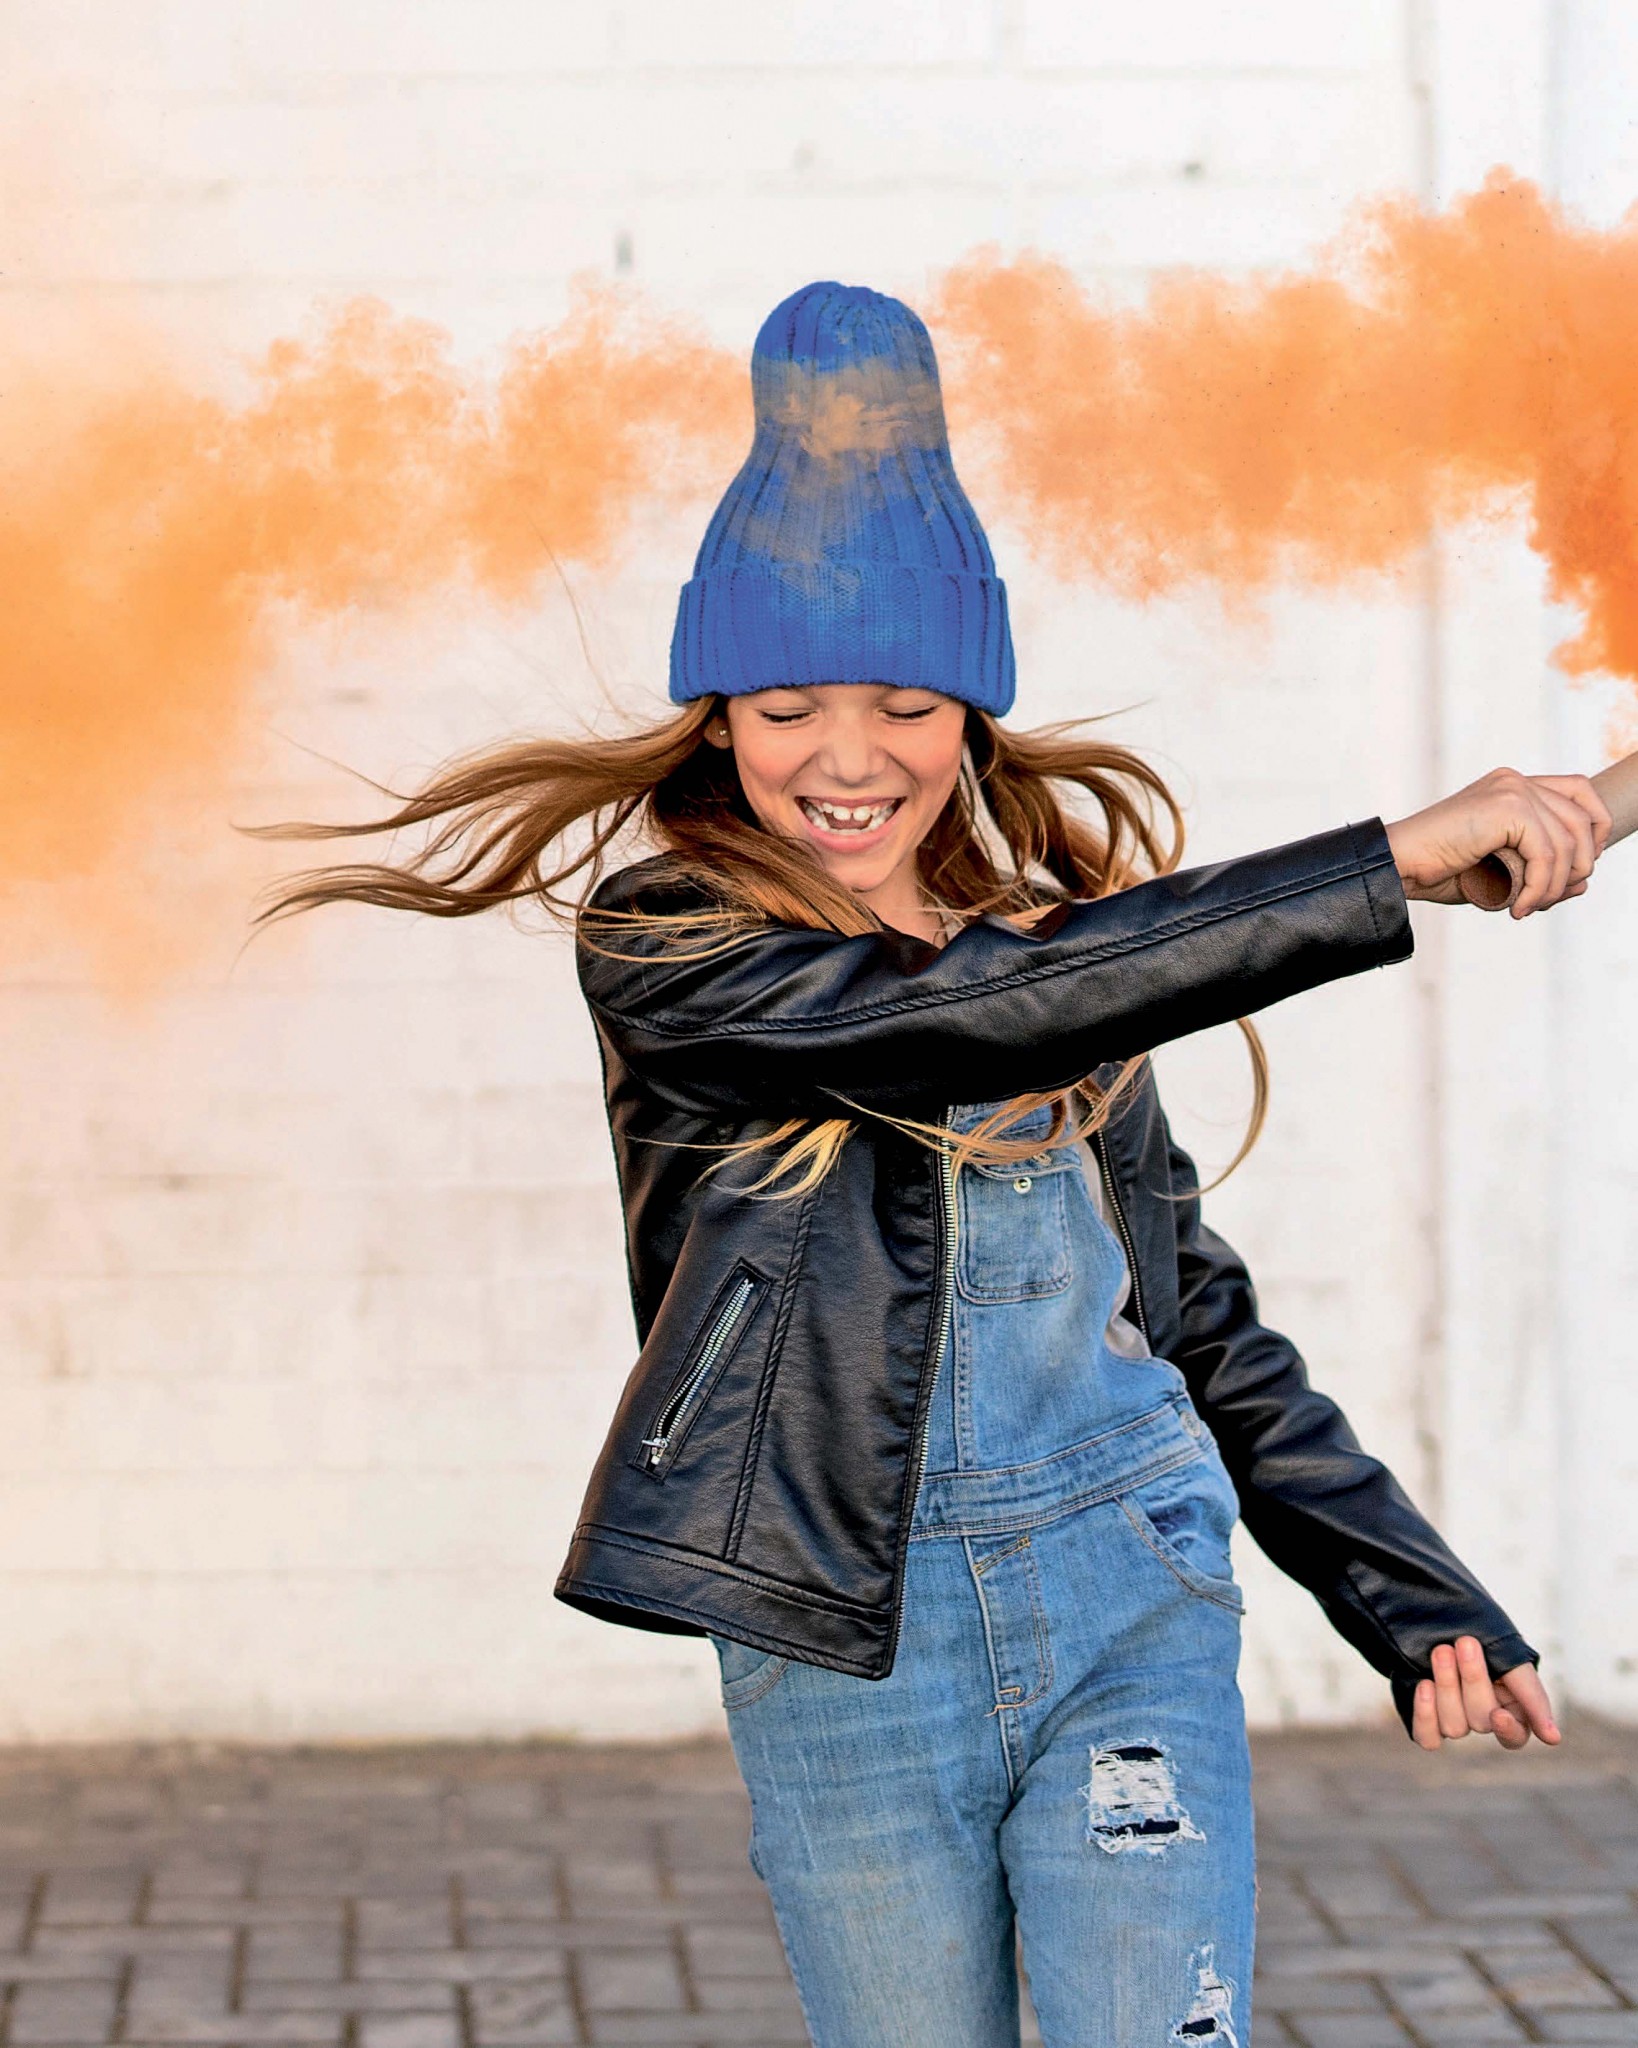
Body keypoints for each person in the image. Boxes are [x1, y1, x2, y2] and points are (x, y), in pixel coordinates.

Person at [269, 282, 1608, 2047]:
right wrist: (1390, 862)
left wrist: (1402, 1587)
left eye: (905, 702)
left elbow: (1192, 1318)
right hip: (850, 1637)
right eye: (784, 706)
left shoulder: (1065, 956)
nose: (847, 758)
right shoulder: (674, 945)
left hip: (1129, 1588)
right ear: (713, 717)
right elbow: (958, 1015)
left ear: (971, 713)